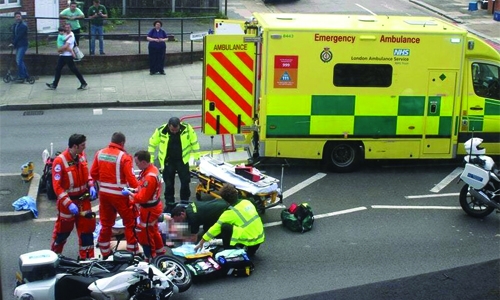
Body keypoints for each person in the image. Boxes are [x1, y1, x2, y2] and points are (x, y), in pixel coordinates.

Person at [90, 132, 139, 259]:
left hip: (104, 194)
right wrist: (139, 189)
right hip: (120, 195)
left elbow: (93, 173)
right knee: (130, 223)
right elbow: (131, 179)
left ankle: (105, 252)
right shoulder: (124, 157)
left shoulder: (100, 153)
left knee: (106, 224)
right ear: (122, 143)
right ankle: (132, 252)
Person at [50, 134, 98, 259]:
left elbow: (86, 174)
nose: (85, 147)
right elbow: (57, 187)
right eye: (82, 145)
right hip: (68, 204)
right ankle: (54, 257)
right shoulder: (60, 161)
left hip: (83, 201)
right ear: (75, 146)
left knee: (87, 233)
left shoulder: (81, 156)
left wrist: (90, 184)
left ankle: (87, 260)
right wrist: (68, 203)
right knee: (62, 233)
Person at [194, 184, 265, 256]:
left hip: (248, 242)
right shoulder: (247, 202)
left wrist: (201, 242)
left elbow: (214, 229)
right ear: (236, 193)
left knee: (225, 226)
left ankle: (228, 250)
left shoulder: (229, 213)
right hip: (259, 240)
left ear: (224, 199)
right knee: (239, 224)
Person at [148, 117, 200, 213]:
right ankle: (170, 205)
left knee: (185, 182)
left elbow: (194, 142)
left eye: (176, 130)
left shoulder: (187, 129)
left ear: (179, 126)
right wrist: (151, 160)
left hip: (182, 160)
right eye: (172, 130)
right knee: (169, 184)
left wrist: (197, 157)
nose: (175, 132)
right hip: (168, 161)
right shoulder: (161, 131)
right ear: (168, 126)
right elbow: (152, 144)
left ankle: (184, 203)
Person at [122, 150, 165, 260]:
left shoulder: (149, 177)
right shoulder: (151, 170)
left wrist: (130, 193)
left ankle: (151, 257)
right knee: (153, 231)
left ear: (144, 162)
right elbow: (142, 188)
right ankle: (160, 254)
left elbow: (142, 198)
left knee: (145, 234)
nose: (136, 165)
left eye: (137, 163)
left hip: (149, 210)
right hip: (153, 207)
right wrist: (134, 189)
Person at [46, 23, 88, 90]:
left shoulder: (71, 35)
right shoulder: (64, 34)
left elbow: (66, 46)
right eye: (66, 27)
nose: (67, 29)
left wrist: (59, 49)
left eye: (68, 27)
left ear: (70, 28)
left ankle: (83, 82)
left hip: (68, 56)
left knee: (74, 69)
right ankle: (54, 85)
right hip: (63, 55)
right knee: (58, 69)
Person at [9, 11, 28, 83]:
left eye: (19, 16)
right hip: (18, 45)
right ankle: (26, 75)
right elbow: (14, 35)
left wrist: (13, 43)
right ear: (15, 18)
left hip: (23, 45)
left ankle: (21, 76)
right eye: (16, 17)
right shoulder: (15, 25)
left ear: (21, 17)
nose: (18, 18)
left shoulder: (23, 26)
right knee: (20, 60)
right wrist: (12, 43)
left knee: (18, 60)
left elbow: (19, 36)